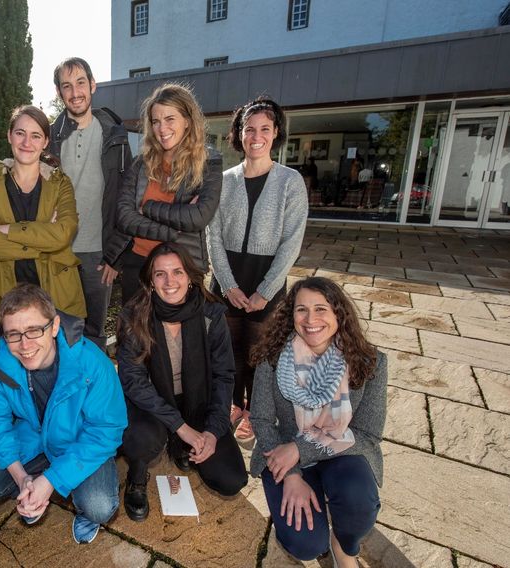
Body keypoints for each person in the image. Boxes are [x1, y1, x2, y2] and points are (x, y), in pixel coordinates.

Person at [0, 283, 126, 544]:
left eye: (34, 330)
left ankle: (62, 492)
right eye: (13, 334)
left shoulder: (93, 363)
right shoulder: (0, 362)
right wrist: (21, 476)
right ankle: (34, 484)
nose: (24, 345)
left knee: (99, 506)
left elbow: (105, 431)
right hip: (33, 436)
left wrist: (50, 481)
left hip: (81, 441)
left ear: (55, 326)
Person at [248, 277, 386, 567]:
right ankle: (317, 529)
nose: (311, 319)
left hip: (343, 451)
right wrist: (292, 475)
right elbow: (261, 419)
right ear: (291, 315)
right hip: (284, 456)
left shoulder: (369, 361)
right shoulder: (272, 357)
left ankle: (344, 545)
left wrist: (300, 449)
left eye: (321, 309)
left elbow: (367, 434)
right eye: (301, 310)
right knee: (306, 544)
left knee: (358, 505)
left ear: (339, 313)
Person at [116, 243, 248, 521]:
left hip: (196, 399)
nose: (170, 281)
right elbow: (133, 381)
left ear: (190, 276)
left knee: (231, 479)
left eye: (177, 272)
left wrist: (212, 431)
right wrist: (181, 427)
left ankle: (179, 446)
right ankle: (137, 476)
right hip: (151, 401)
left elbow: (225, 375)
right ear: (150, 280)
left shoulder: (211, 313)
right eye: (160, 274)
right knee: (141, 439)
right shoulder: (134, 315)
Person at [206, 96, 308, 443]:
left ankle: (254, 410)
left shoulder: (290, 182)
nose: (256, 136)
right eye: (250, 129)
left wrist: (266, 290)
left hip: (267, 278)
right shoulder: (224, 180)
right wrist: (227, 284)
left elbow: (292, 242)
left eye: (265, 128)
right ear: (240, 133)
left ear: (276, 133)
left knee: (261, 354)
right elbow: (212, 235)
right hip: (227, 277)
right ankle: (233, 404)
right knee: (228, 349)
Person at [0, 105, 85, 343]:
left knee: (57, 371)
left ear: (45, 142)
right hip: (0, 295)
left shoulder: (60, 184)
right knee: (9, 372)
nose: (26, 142)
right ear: (9, 135)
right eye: (20, 133)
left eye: (36, 135)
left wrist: (7, 229)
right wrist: (44, 240)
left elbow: (63, 235)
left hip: (55, 294)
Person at [106, 83, 223, 304]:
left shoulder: (208, 162)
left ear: (187, 121)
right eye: (156, 121)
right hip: (139, 266)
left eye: (170, 119)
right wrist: (175, 229)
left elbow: (198, 217)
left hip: (182, 268)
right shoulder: (141, 163)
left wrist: (147, 207)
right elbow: (124, 217)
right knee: (137, 335)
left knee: (178, 337)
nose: (162, 128)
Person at [49, 57, 132, 351]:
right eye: (67, 86)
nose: (75, 92)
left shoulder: (116, 136)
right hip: (59, 252)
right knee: (60, 330)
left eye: (81, 82)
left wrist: (115, 255)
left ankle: (92, 391)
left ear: (93, 85)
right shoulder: (49, 139)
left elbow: (126, 197)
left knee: (95, 330)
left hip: (100, 254)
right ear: (60, 93)